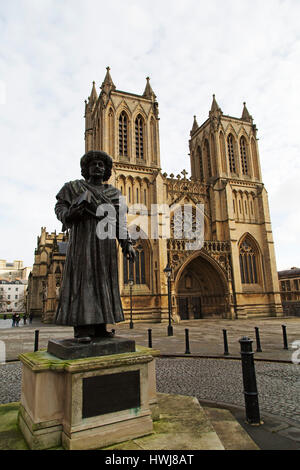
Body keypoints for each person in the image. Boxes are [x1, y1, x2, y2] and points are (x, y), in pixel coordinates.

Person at [54, 150, 135, 342]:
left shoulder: (114, 193)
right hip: (83, 240)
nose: (98, 167)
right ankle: (82, 328)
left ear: (106, 170)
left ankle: (100, 326)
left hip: (106, 244)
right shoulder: (73, 187)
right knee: (84, 281)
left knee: (104, 281)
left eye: (101, 165)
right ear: (86, 168)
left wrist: (127, 244)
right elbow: (60, 207)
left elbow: (120, 223)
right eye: (94, 164)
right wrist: (69, 214)